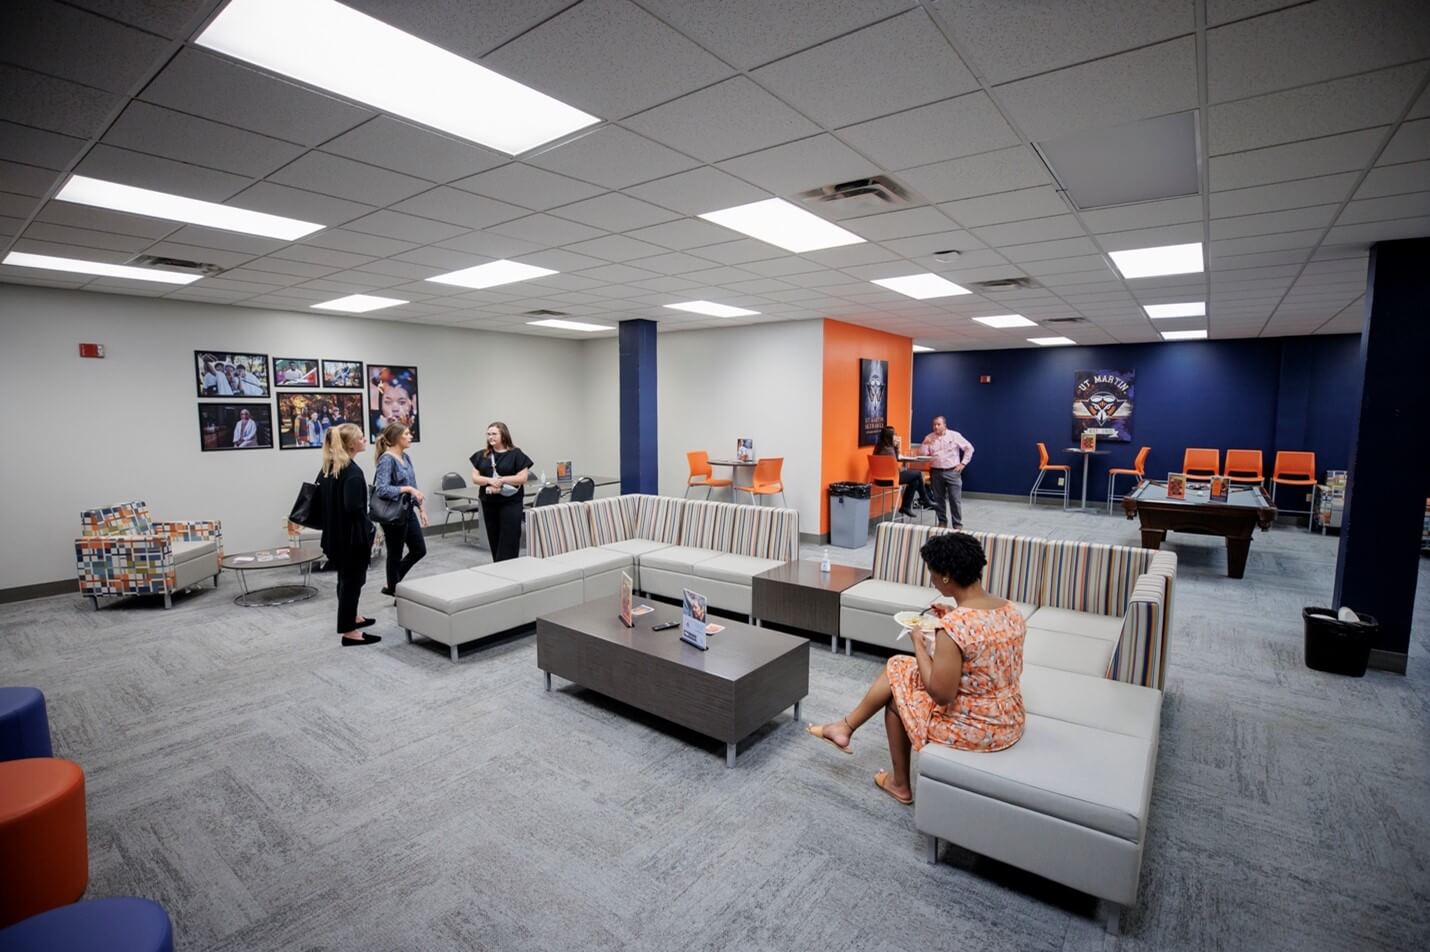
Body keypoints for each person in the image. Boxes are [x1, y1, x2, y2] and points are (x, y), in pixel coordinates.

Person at [808, 533, 1025, 804]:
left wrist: (919, 642)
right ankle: (843, 728)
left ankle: (898, 782)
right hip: (1009, 717)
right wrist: (951, 616)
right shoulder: (1010, 609)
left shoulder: (955, 627)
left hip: (976, 729)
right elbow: (983, 650)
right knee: (898, 665)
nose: (932, 580)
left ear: (945, 576)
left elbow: (941, 695)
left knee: (897, 697)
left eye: (933, 574)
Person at [316, 424, 380, 646]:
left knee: (345, 580)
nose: (365, 440)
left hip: (335, 536)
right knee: (353, 582)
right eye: (361, 438)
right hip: (352, 539)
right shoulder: (352, 472)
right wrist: (372, 529)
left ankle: (351, 617)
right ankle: (349, 632)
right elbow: (354, 508)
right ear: (351, 444)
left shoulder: (329, 467)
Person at [372, 423, 427, 597]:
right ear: (396, 438)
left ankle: (392, 583)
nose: (410, 437)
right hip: (393, 514)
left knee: (419, 549)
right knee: (395, 555)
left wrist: (421, 509)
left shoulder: (406, 457)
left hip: (408, 511)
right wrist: (407, 489)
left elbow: (413, 485)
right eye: (407, 434)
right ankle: (394, 588)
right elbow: (382, 489)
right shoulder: (387, 459)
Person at [470, 421, 532, 562]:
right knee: (494, 536)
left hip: (510, 502)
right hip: (489, 502)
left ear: (503, 435)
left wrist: (502, 480)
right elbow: (475, 478)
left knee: (509, 536)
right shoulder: (481, 455)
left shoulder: (516, 454)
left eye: (494, 434)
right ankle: (498, 566)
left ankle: (509, 568)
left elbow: (522, 478)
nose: (490, 437)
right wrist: (490, 481)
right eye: (488, 434)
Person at [920, 415, 974, 529]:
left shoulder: (954, 436)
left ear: (945, 425)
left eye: (938, 424)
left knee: (955, 499)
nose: (935, 427)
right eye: (934, 424)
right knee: (938, 499)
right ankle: (942, 521)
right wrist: (925, 444)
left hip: (952, 471)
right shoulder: (929, 437)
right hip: (935, 472)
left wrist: (963, 463)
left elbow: (969, 448)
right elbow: (922, 455)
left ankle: (957, 524)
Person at [873, 426, 931, 517]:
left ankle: (907, 506)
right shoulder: (889, 450)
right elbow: (895, 461)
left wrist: (895, 448)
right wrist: (896, 447)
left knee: (915, 481)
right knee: (918, 473)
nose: (896, 436)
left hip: (878, 480)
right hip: (891, 479)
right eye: (894, 434)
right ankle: (923, 499)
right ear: (890, 436)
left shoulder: (879, 448)